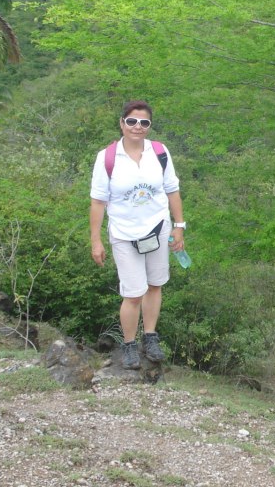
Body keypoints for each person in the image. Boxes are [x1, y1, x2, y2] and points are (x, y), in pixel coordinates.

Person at [89, 100, 186, 369]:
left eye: (144, 122)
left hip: (158, 228)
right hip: (124, 234)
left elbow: (172, 190)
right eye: (132, 121)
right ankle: (129, 344)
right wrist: (96, 241)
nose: (137, 127)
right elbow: (98, 202)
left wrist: (179, 226)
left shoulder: (160, 152)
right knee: (133, 293)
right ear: (122, 123)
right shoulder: (107, 158)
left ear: (149, 126)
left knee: (155, 284)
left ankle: (150, 336)